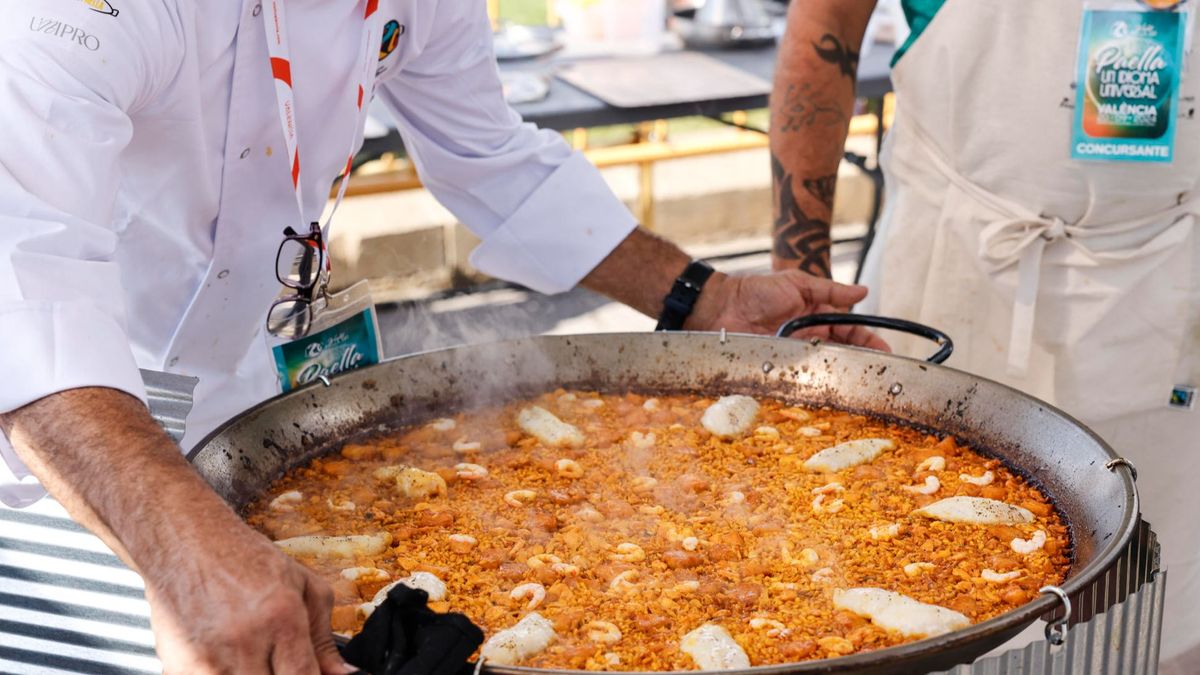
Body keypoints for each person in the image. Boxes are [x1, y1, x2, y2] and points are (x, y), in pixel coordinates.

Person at [0, 1, 888, 673]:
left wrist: (708, 296)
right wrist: (181, 546)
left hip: (240, 393)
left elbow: (487, 153)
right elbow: (22, 276)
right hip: (61, 438)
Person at [770, 0, 1200, 669]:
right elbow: (824, 25)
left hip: (1164, 284)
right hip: (954, 268)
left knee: (1142, 618)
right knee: (903, 596)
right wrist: (800, 268)